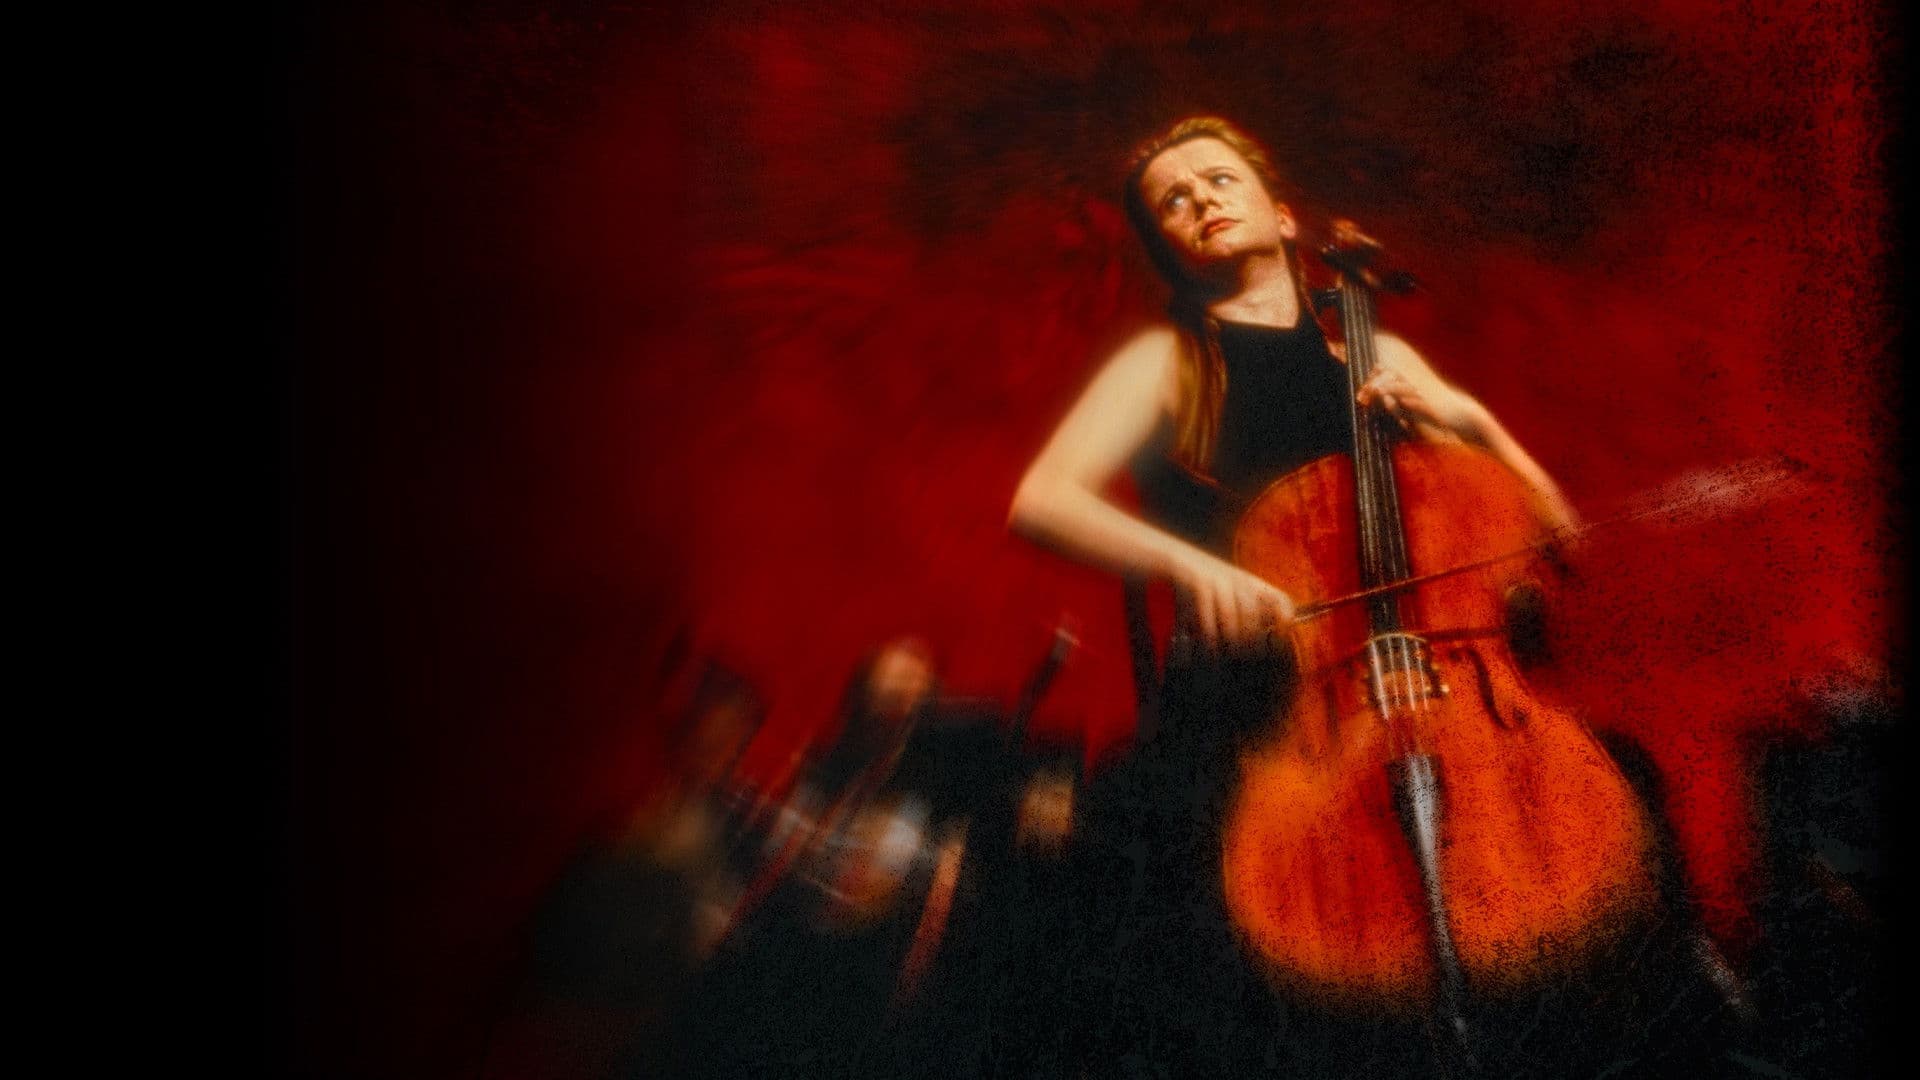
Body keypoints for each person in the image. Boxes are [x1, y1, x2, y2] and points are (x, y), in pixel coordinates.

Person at [1005, 116, 1729, 1078]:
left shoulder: (1372, 351)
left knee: (1618, 780)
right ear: (1167, 246)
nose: (1200, 202)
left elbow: (1553, 541)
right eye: (1172, 202)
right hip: (1267, 693)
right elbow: (1040, 499)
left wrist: (1471, 421)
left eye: (1218, 180)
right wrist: (1196, 568)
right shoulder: (1166, 364)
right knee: (1173, 866)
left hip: (1439, 674)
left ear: (1280, 212)